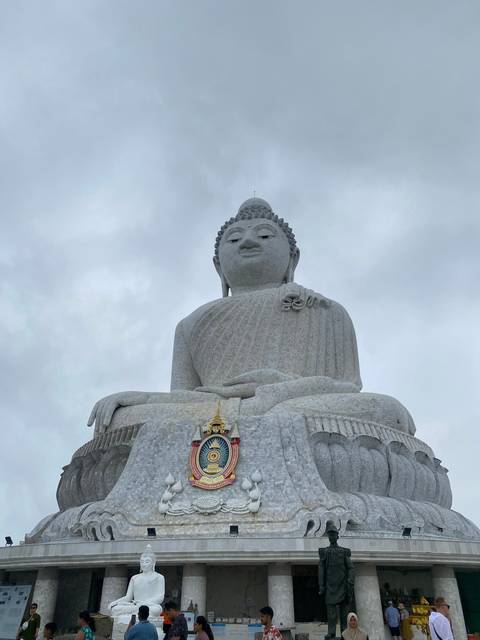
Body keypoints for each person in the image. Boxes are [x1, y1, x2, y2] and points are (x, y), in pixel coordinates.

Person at [318, 524, 354, 638]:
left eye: (333, 534)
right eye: (330, 534)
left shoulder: (343, 552)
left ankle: (344, 632)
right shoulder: (325, 552)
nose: (331, 536)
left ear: (337, 536)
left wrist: (350, 581)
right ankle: (331, 632)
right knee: (331, 614)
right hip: (330, 586)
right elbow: (321, 569)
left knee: (344, 614)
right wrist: (321, 585)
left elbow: (351, 568)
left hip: (343, 586)